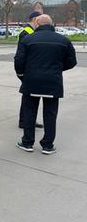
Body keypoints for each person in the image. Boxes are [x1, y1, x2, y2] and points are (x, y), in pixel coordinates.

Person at [15, 14, 77, 155]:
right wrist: (57, 69)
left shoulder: (27, 39)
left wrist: (22, 75)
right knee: (50, 114)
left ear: (37, 23)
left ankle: (27, 142)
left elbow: (19, 60)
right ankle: (48, 145)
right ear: (51, 24)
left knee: (29, 112)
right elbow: (72, 62)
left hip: (31, 81)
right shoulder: (64, 40)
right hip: (53, 82)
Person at [17, 11, 43, 129]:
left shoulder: (32, 31)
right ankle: (24, 121)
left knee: (31, 96)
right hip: (28, 69)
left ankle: (29, 119)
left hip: (32, 69)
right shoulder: (26, 32)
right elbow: (21, 54)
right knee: (28, 96)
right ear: (34, 19)